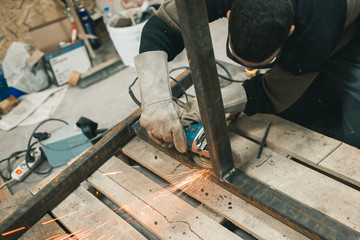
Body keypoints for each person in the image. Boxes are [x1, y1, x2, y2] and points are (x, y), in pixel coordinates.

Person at [134, 0, 360, 151]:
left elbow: (274, 92)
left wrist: (209, 105)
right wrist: (156, 100)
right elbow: (163, 26)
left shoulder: (317, 30)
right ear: (229, 15)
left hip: (348, 22)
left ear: (290, 32)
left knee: (354, 134)